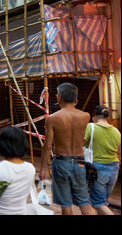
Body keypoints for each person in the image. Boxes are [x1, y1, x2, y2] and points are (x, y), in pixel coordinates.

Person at [39, 82, 95, 215]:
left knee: (66, 203)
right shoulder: (85, 116)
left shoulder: (52, 118)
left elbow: (47, 146)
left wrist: (43, 168)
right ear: (75, 99)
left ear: (60, 98)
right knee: (84, 202)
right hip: (80, 162)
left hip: (61, 162)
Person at [85, 105, 121, 215]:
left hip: (97, 168)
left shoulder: (91, 127)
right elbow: (119, 152)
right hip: (114, 168)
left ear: (95, 116)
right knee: (103, 202)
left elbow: (79, 144)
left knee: (98, 203)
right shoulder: (116, 131)